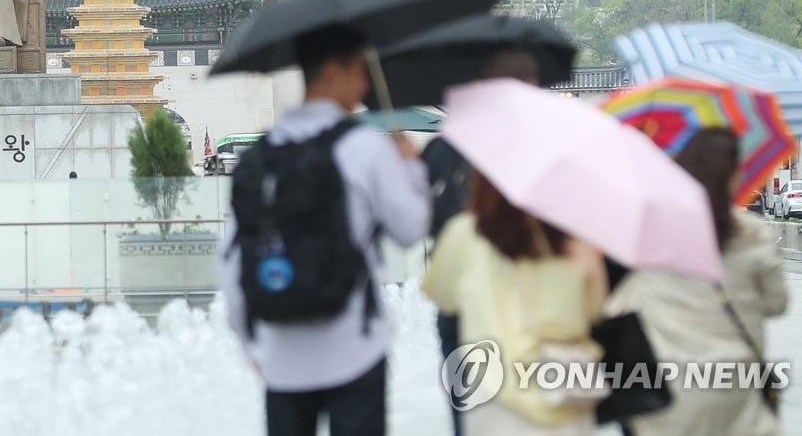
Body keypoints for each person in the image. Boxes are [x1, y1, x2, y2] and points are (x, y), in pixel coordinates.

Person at [218, 24, 431, 436]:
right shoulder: (364, 147)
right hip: (354, 345)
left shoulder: (260, 156)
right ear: (332, 72)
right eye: (359, 71)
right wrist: (411, 167)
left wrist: (251, 342)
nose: (366, 83)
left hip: (280, 353)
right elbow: (410, 228)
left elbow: (230, 259)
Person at [605, 128, 788, 436]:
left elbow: (614, 302)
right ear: (733, 176)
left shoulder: (647, 231)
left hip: (661, 381)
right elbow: (776, 304)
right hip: (735, 382)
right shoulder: (752, 235)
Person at [424, 168, 608, 436]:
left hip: (493, 385)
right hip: (566, 382)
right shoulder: (578, 240)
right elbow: (595, 309)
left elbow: (442, 295)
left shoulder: (464, 233)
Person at [423, 49, 542, 436]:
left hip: (464, 309)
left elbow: (427, 233)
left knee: (472, 422)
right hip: (535, 309)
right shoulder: (549, 148)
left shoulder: (441, 152)